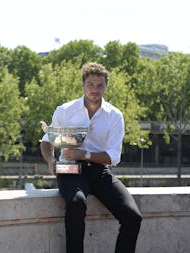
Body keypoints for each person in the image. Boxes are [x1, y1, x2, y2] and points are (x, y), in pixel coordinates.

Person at [40, 62, 142, 253]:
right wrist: (51, 160)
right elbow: (47, 141)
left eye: (99, 85)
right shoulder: (64, 110)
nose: (95, 89)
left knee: (133, 217)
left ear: (106, 86)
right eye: (90, 85)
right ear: (82, 85)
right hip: (70, 169)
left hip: (99, 171)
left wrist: (84, 154)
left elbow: (113, 156)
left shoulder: (114, 115)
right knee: (77, 203)